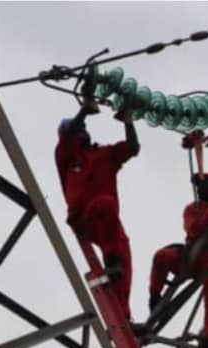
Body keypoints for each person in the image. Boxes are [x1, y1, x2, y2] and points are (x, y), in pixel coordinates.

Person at [55, 98, 140, 321]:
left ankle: (123, 317)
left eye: (83, 129)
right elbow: (68, 135)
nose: (81, 132)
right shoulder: (67, 158)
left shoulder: (105, 154)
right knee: (104, 204)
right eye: (77, 130)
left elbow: (132, 148)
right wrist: (84, 111)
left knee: (123, 255)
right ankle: (111, 260)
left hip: (109, 223)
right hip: (85, 219)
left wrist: (128, 121)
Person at [149, 172, 208, 348]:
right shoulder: (193, 209)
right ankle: (155, 295)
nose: (201, 189)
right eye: (199, 186)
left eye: (205, 185)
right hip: (193, 255)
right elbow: (195, 229)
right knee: (161, 257)